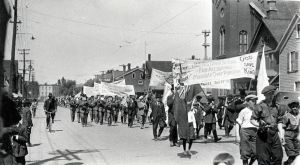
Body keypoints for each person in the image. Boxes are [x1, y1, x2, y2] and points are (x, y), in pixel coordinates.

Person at [250, 85, 286, 165]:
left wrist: (281, 134)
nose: (272, 96)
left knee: (278, 157)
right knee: (263, 159)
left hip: (274, 134)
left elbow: (279, 121)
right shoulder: (260, 106)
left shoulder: (277, 106)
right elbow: (252, 119)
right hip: (263, 134)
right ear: (265, 95)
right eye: (270, 94)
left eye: (273, 94)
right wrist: (259, 125)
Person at [236, 94, 258, 165]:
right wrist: (237, 136)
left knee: (255, 153)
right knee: (245, 153)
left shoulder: (257, 111)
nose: (254, 102)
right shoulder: (243, 111)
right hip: (245, 131)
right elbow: (238, 123)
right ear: (248, 102)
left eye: (255, 101)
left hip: (255, 132)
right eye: (252, 101)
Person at [282, 100, 300, 165]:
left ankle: (286, 163)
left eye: (296, 106)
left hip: (296, 136)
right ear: (291, 108)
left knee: (296, 153)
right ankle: (286, 164)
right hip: (288, 136)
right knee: (291, 154)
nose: (294, 108)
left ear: (298, 107)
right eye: (293, 107)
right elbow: (282, 127)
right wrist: (282, 137)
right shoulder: (287, 116)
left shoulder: (299, 115)